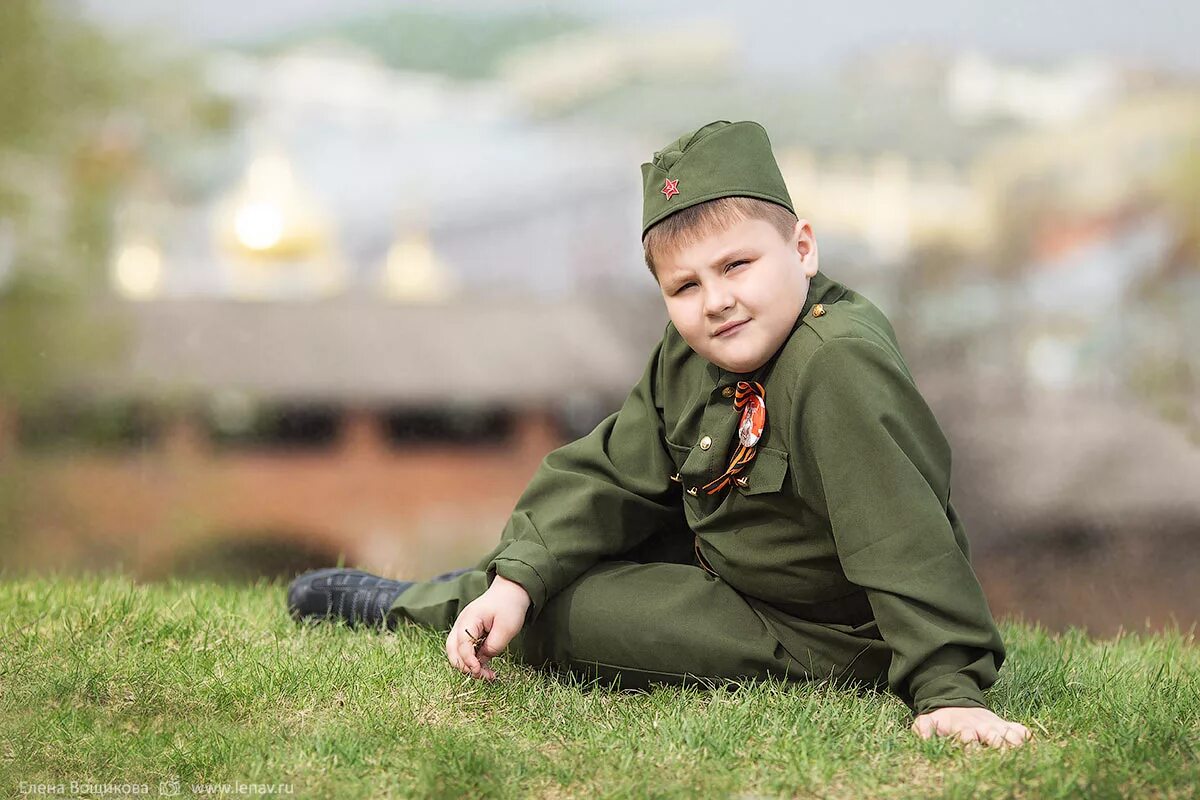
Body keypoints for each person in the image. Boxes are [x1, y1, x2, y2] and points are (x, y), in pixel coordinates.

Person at [288, 120, 1032, 748]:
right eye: (685, 286)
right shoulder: (693, 351)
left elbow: (899, 534)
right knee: (550, 565)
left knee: (569, 619)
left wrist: (946, 689)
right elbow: (610, 473)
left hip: (815, 630)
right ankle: (467, 597)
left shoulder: (835, 364)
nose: (716, 302)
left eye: (737, 264)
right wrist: (516, 580)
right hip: (719, 565)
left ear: (802, 248)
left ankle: (403, 608)